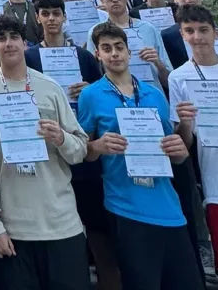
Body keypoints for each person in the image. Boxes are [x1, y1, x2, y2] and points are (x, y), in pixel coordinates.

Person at [0, 15, 90, 290]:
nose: (8, 43)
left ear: (25, 43)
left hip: (61, 224)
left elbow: (80, 149)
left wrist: (61, 138)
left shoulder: (50, 88)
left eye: (14, 37)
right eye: (1, 39)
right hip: (14, 230)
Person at [78, 22, 202, 290]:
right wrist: (97, 146)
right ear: (98, 54)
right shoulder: (90, 95)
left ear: (128, 51)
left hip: (169, 207)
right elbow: (83, 152)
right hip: (126, 206)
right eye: (107, 49)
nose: (114, 54)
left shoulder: (154, 94)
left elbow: (176, 153)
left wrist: (184, 131)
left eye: (119, 47)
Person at [25, 0, 118, 290]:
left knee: (97, 227)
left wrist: (89, 87)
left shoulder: (84, 56)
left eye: (56, 13)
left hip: (84, 145)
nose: (51, 19)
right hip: (49, 151)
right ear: (38, 18)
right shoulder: (29, 57)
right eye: (45, 14)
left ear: (64, 17)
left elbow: (104, 92)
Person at [169, 5, 218, 288]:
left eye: (203, 30)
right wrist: (185, 123)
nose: (197, 37)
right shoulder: (178, 77)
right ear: (182, 35)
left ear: (216, 33)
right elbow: (185, 143)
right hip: (215, 175)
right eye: (190, 31)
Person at [86, 0, 171, 91]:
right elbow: (92, 77)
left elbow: (169, 82)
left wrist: (158, 63)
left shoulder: (148, 29)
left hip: (150, 93)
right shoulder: (95, 32)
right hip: (113, 95)